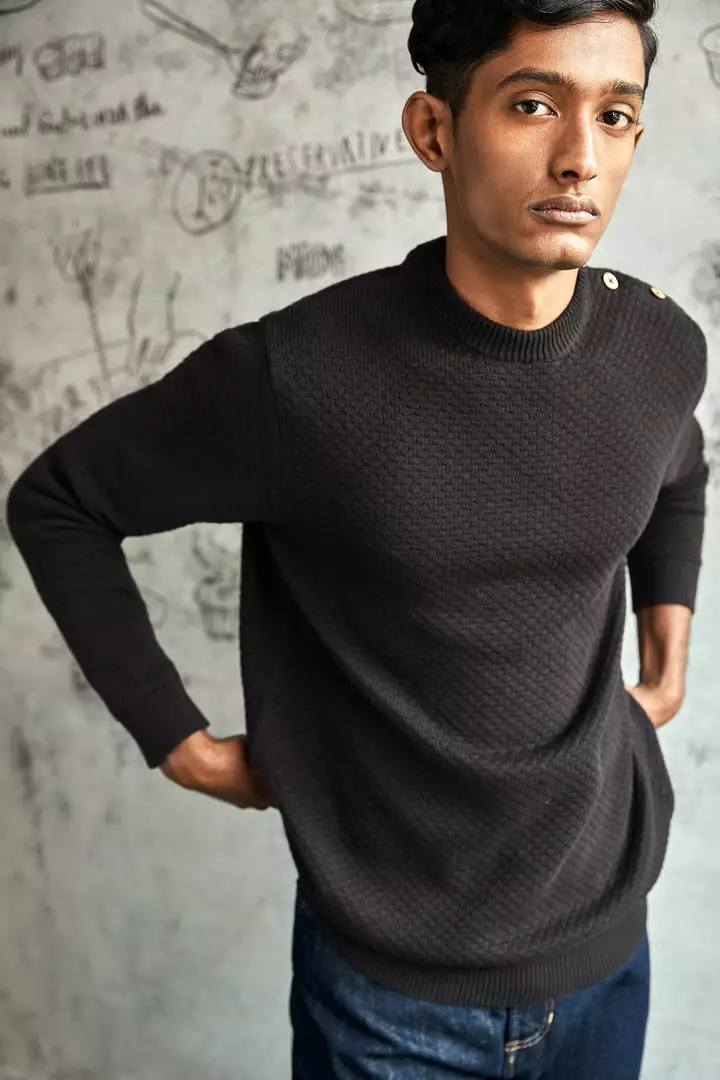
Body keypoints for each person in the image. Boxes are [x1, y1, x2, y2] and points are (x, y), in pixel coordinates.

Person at [5, 0, 710, 1076]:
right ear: (435, 130)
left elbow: (677, 468)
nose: (579, 157)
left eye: (614, 116)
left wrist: (668, 651)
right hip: (389, 995)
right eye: (533, 105)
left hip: (608, 945)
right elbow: (62, 502)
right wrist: (178, 740)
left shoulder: (657, 346)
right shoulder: (299, 376)